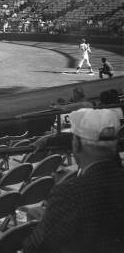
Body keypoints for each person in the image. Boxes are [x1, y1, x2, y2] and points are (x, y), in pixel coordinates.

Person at [23, 108, 124, 252]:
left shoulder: (70, 192)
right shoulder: (116, 172)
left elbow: (34, 247)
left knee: (36, 215)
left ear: (75, 144)